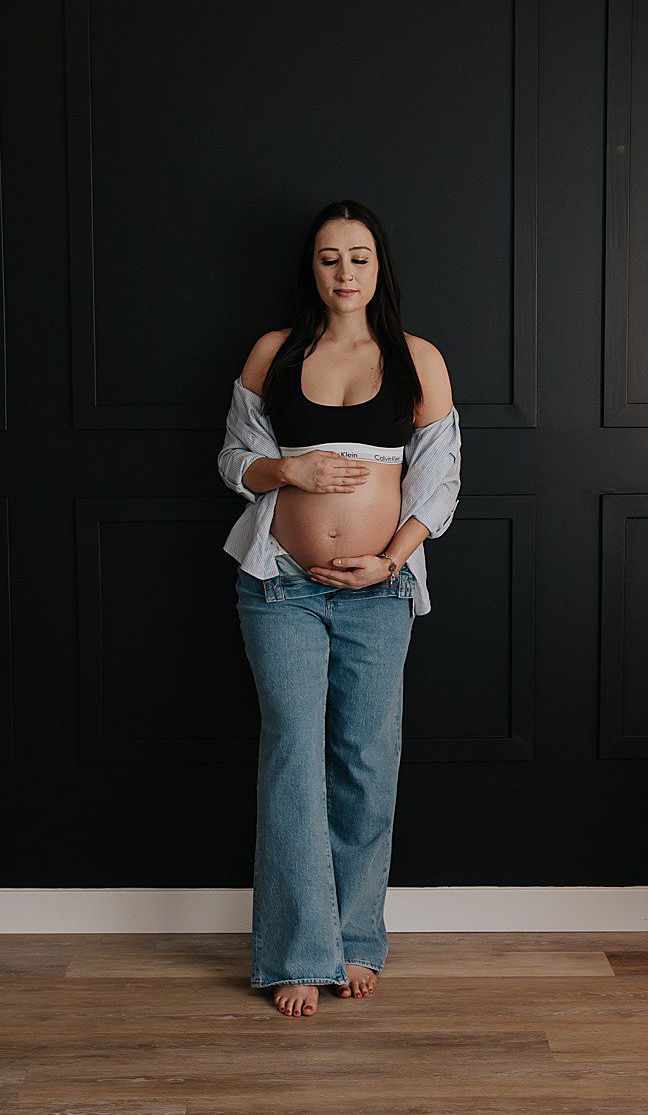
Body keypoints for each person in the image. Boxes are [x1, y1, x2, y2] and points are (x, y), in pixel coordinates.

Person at [217, 199, 462, 1017]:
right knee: (293, 756)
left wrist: (389, 559)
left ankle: (355, 942)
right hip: (279, 584)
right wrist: (293, 473)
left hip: (379, 593)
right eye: (329, 259)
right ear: (312, 270)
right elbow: (234, 459)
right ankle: (296, 952)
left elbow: (440, 479)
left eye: (359, 257)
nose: (345, 273)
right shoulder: (274, 354)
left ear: (379, 266)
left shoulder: (416, 359)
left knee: (364, 761)